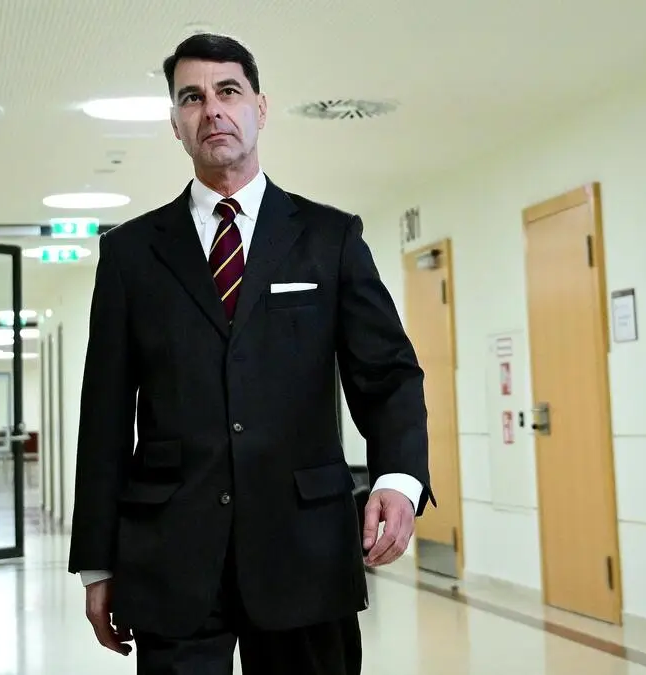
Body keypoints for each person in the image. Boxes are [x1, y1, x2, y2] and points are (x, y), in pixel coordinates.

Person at [67, 32, 435, 675]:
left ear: (260, 107)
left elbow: (387, 374)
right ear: (175, 122)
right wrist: (97, 561)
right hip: (173, 555)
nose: (212, 109)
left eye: (228, 91)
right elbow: (105, 415)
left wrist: (398, 480)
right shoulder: (130, 254)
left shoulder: (329, 237)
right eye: (191, 97)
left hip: (304, 547)